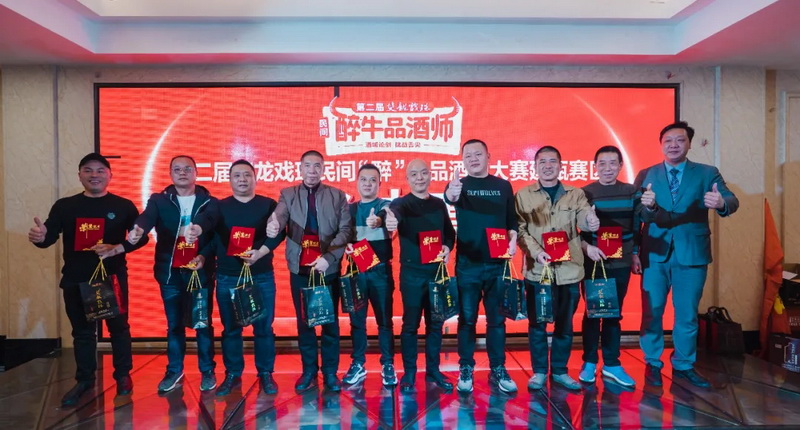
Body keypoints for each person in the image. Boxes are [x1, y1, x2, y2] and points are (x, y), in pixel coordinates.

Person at [28, 153, 148, 406]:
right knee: (83, 333)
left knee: (119, 329)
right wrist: (40, 237)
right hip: (76, 279)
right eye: (88, 170)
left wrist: (118, 247)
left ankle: (123, 375)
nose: (94, 175)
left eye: (100, 170)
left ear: (110, 175)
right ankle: (84, 380)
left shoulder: (123, 205)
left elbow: (140, 238)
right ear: (80, 175)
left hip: (111, 278)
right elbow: (48, 237)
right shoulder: (65, 206)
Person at [634, 121, 739, 388]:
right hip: (654, 254)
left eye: (679, 140)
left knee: (687, 313)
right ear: (661, 144)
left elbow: (731, 200)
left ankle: (683, 364)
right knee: (652, 312)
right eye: (668, 141)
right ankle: (652, 362)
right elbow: (638, 215)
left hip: (692, 253)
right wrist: (647, 212)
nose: (673, 145)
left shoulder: (707, 173)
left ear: (689, 144)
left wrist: (721, 203)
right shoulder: (646, 174)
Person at [127, 155, 219, 393]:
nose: (182, 172)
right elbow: (147, 217)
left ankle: (207, 370)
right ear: (170, 174)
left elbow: (213, 231)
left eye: (188, 168)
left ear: (196, 173)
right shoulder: (159, 200)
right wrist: (138, 229)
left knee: (202, 323)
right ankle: (174, 370)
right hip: (170, 274)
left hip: (199, 272)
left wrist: (203, 253)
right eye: (177, 169)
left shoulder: (209, 202)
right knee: (174, 325)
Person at [195, 160, 284, 395]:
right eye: (237, 175)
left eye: (247, 175)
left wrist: (260, 253)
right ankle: (233, 373)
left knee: (263, 328)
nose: (242, 179)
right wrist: (202, 251)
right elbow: (212, 237)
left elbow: (278, 234)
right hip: (228, 277)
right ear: (230, 179)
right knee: (231, 330)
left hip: (261, 275)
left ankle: (265, 373)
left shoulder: (269, 205)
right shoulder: (219, 206)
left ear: (255, 178)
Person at [266, 150, 351, 393]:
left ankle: (330, 373)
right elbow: (279, 216)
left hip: (328, 269)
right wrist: (273, 224)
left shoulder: (337, 196)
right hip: (300, 269)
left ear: (323, 169)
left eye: (317, 166)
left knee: (329, 323)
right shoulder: (288, 194)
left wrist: (329, 258)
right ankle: (309, 371)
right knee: (305, 324)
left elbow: (345, 231)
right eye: (307, 166)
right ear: (300, 168)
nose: (312, 171)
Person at [515, 145, 600, 391]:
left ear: (561, 165)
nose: (548, 166)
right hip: (537, 271)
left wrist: (591, 221)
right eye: (542, 162)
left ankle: (560, 371)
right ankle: (540, 371)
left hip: (569, 271)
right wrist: (536, 252)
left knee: (565, 325)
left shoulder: (576, 194)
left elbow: (584, 217)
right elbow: (520, 229)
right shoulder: (523, 195)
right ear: (535, 166)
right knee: (537, 325)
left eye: (552, 161)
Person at [443, 139, 518, 394]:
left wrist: (513, 238)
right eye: (468, 156)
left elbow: (511, 221)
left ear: (488, 156)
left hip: (498, 264)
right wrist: (452, 192)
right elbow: (450, 197)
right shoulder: (459, 185)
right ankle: (466, 367)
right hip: (468, 265)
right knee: (467, 320)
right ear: (463, 160)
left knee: (497, 321)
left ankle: (498, 367)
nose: (473, 159)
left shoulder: (503, 186)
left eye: (478, 154)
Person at [386, 159, 456, 393]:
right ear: (407, 179)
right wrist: (389, 219)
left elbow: (449, 234)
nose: (419, 178)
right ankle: (409, 372)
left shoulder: (438, 204)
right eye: (414, 174)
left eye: (424, 173)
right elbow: (392, 213)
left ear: (430, 176)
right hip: (412, 275)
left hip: (436, 274)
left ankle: (433, 370)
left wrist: (447, 247)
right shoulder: (402, 204)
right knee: (410, 325)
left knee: (435, 325)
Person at [577, 146, 642, 388]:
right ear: (595, 166)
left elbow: (637, 225)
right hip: (593, 261)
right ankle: (589, 362)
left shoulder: (631, 191)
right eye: (602, 163)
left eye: (612, 163)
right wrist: (587, 248)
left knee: (614, 313)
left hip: (621, 260)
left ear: (620, 165)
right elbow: (575, 230)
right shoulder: (585, 193)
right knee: (593, 313)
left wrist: (634, 253)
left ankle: (612, 363)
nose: (607, 168)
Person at [342, 163, 398, 387]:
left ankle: (388, 364)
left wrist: (378, 221)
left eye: (373, 180)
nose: (368, 184)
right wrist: (345, 244)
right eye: (364, 179)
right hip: (356, 271)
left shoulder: (385, 205)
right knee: (357, 322)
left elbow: (385, 215)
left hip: (380, 273)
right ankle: (358, 363)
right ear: (357, 182)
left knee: (384, 322)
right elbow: (342, 234)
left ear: (379, 184)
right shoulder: (349, 209)